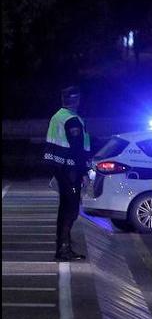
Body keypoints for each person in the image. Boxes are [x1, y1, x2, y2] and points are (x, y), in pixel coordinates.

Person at [43, 86, 90, 261]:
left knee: (64, 209)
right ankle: (63, 248)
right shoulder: (73, 120)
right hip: (71, 171)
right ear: (76, 100)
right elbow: (77, 149)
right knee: (71, 210)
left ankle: (63, 246)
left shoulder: (57, 116)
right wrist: (83, 172)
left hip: (60, 168)